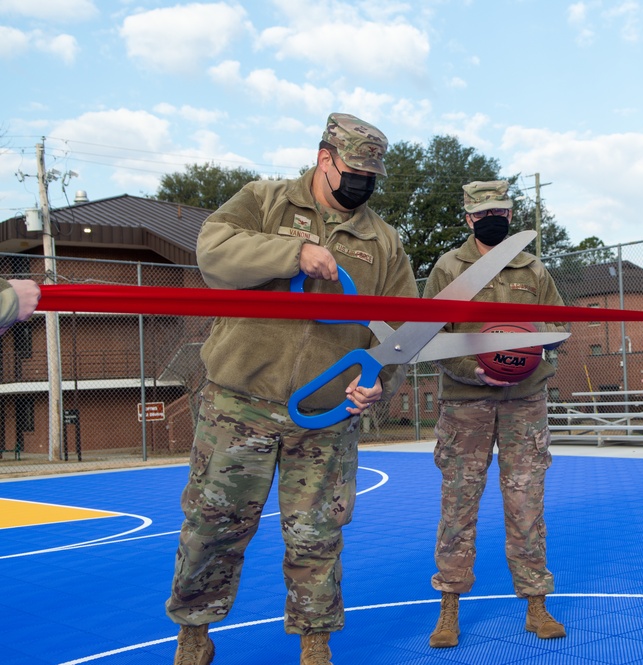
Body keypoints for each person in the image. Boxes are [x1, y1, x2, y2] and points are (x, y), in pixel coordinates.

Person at [166, 113, 418, 665]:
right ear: (324, 158)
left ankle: (315, 643)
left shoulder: (383, 241)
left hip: (326, 416)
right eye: (353, 172)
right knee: (213, 524)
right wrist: (292, 254)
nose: (362, 185)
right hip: (239, 402)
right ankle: (194, 636)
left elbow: (399, 333)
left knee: (318, 534)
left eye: (372, 177)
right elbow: (213, 251)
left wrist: (373, 386)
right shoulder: (265, 200)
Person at [422, 180, 568, 648]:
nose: (493, 218)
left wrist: (539, 363)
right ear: (468, 217)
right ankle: (448, 609)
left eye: (501, 211)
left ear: (510, 214)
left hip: (525, 402)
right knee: (459, 504)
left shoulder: (533, 268)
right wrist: (473, 370)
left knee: (527, 503)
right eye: (483, 212)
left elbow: (559, 327)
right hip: (467, 403)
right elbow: (428, 335)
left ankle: (535, 605)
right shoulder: (449, 268)